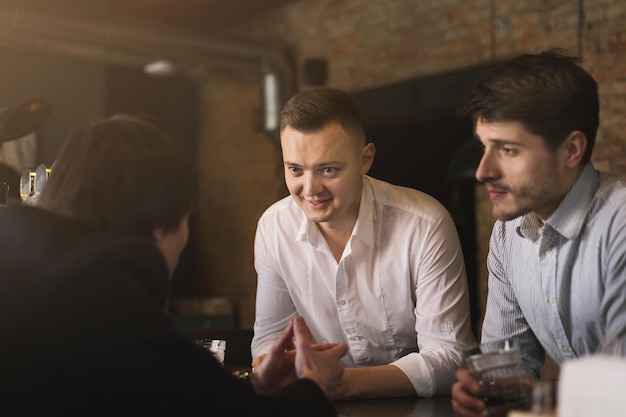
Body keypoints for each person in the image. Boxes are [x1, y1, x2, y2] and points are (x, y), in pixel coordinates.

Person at [0, 113, 348, 416]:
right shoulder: (98, 299)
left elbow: (179, 399)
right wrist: (316, 388)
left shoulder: (26, 270)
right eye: (186, 218)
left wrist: (255, 386)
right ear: (162, 219)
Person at [251, 86, 475, 399]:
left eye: (328, 169)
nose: (310, 189)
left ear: (365, 159)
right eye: (295, 170)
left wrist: (339, 384)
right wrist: (269, 363)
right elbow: (270, 335)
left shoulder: (425, 223)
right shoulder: (273, 228)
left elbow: (451, 357)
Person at [451, 48, 626, 417]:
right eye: (484, 147)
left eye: (507, 150)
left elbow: (619, 384)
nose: (483, 171)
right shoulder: (507, 234)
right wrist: (487, 393)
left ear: (571, 150)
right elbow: (508, 369)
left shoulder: (620, 223)